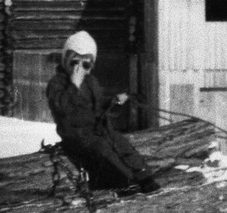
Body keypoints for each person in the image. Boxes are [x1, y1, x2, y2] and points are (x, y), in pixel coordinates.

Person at [46, 31, 160, 194]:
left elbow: (97, 106)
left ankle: (145, 177)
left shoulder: (91, 82)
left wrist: (115, 101)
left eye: (85, 65)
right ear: (66, 60)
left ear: (91, 66)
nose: (79, 69)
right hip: (76, 135)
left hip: (96, 129)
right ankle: (125, 181)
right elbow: (61, 107)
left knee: (120, 143)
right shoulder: (58, 83)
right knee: (103, 148)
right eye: (74, 63)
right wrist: (73, 86)